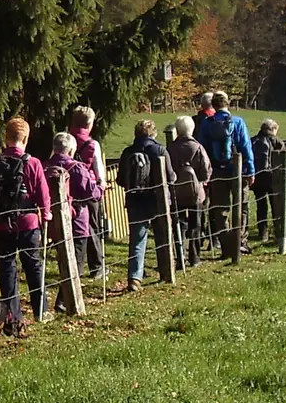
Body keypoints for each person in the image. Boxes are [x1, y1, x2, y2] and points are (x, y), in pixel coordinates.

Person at [0, 118, 51, 333]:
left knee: (7, 270)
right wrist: (46, 215)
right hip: (27, 224)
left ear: (6, 137)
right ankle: (40, 311)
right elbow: (43, 195)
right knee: (33, 266)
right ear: (26, 138)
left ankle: (12, 317)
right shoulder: (32, 163)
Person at [109, 120, 171, 293]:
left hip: (135, 200)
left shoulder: (127, 152)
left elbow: (120, 180)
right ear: (153, 134)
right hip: (157, 201)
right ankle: (165, 270)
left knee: (137, 239)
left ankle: (135, 278)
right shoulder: (159, 150)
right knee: (162, 236)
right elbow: (171, 176)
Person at [198, 91, 256, 259]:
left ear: (213, 106)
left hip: (217, 171)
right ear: (228, 104)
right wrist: (250, 170)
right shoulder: (237, 122)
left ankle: (225, 246)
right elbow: (246, 147)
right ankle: (240, 242)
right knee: (242, 206)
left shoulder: (207, 124)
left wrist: (206, 174)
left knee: (220, 209)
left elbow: (203, 150)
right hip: (237, 171)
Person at [45, 133, 103, 298]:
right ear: (70, 150)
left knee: (63, 259)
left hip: (54, 222)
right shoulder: (76, 167)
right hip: (77, 220)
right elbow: (91, 193)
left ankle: (64, 299)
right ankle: (66, 301)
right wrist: (100, 188)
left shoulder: (45, 166)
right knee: (76, 262)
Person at [164, 116, 211, 266]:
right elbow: (206, 171)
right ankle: (195, 257)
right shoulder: (197, 148)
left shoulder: (170, 148)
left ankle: (180, 256)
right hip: (195, 192)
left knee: (178, 224)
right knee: (195, 224)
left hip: (176, 192)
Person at [66, 107, 108, 244]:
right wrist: (102, 185)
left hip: (67, 189)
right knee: (93, 228)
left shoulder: (65, 139)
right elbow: (99, 169)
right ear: (89, 124)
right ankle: (96, 263)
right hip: (88, 190)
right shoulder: (92, 144)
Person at [250, 120, 286, 244]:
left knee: (261, 205)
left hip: (258, 177)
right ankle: (279, 232)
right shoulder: (277, 141)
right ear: (272, 129)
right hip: (273, 177)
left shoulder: (253, 140)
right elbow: (285, 160)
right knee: (276, 205)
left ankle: (263, 233)